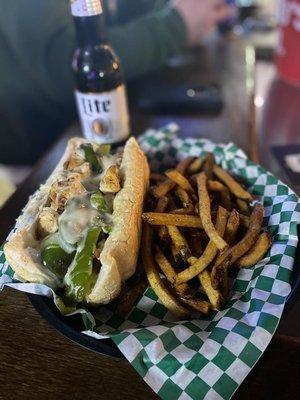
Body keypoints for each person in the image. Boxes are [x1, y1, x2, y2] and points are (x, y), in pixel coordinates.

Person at [0, 0, 230, 165]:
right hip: (38, 149)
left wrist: (184, 20)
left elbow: (128, 20)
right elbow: (63, 61)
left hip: (107, 128)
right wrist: (178, 25)